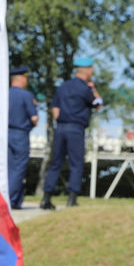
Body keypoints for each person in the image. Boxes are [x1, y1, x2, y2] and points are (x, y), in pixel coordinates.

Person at [41, 56, 104, 209]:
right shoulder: (85, 89)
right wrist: (94, 90)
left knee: (56, 163)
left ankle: (46, 198)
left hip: (61, 127)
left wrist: (61, 121)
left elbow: (55, 110)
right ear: (87, 70)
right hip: (76, 129)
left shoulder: (63, 87)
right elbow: (99, 104)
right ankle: (72, 198)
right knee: (76, 164)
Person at [7, 66, 39, 209]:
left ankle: (12, 199)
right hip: (20, 134)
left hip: (5, 133)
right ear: (22, 79)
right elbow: (34, 118)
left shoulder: (5, 94)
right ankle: (11, 199)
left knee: (8, 167)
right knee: (19, 168)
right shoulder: (26, 96)